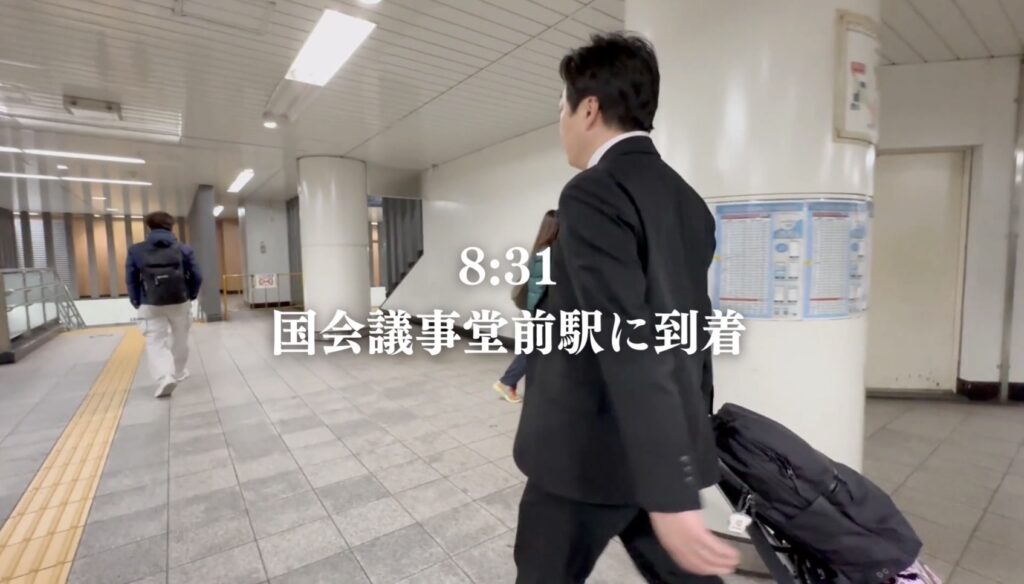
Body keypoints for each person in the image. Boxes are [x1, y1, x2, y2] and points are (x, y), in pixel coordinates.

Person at [512, 33, 740, 582]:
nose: (561, 123)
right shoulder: (690, 204)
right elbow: (692, 329)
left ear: (588, 109)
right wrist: (682, 456)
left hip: (583, 456)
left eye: (562, 109)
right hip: (661, 446)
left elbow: (627, 339)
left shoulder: (591, 192)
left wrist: (669, 493)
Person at [126, 211, 202, 398]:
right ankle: (178, 372)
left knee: (155, 341)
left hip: (150, 303)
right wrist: (191, 294)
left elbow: (131, 279)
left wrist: (136, 300)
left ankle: (165, 376)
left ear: (149, 227)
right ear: (171, 227)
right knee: (180, 338)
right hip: (180, 301)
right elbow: (197, 275)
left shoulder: (136, 250)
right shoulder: (183, 249)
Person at [493, 210, 559, 404]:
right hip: (544, 310)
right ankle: (507, 382)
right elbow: (540, 287)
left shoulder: (542, 249)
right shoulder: (548, 252)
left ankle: (510, 383)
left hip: (542, 309)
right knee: (535, 349)